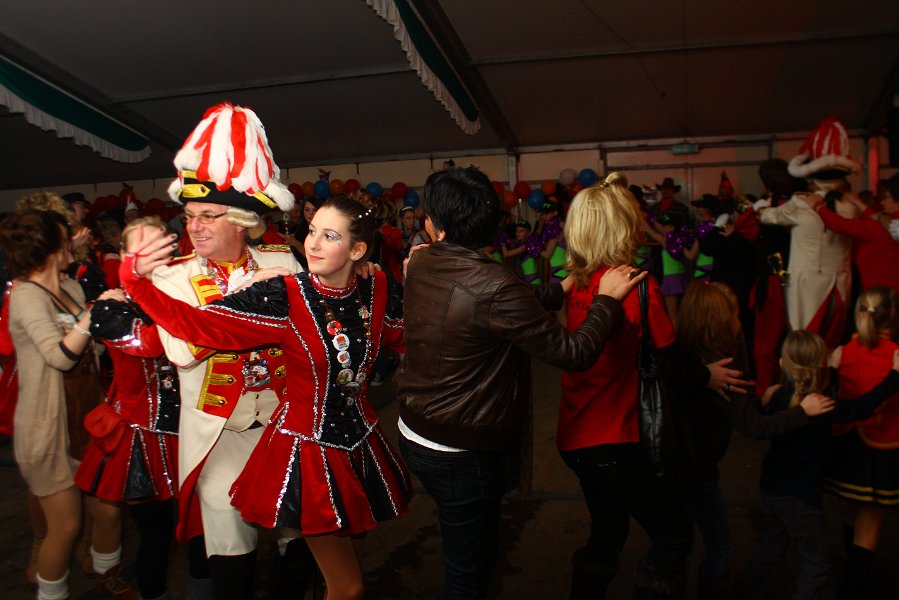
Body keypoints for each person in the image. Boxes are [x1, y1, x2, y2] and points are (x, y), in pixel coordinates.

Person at [119, 193, 412, 600]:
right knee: (232, 543)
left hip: (331, 436)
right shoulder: (231, 283)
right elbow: (188, 340)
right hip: (240, 432)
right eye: (312, 231)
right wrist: (136, 282)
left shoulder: (354, 281)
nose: (312, 244)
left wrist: (414, 274)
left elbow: (403, 333)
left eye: (208, 215)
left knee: (314, 559)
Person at [398, 166, 641, 599]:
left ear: (436, 225)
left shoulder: (421, 261)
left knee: (472, 547)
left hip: (416, 428)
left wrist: (564, 286)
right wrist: (606, 300)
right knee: (467, 575)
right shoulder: (491, 283)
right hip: (458, 448)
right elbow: (573, 353)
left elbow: (503, 300)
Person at [127, 102, 303, 599]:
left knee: (299, 537)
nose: (195, 227)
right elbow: (184, 350)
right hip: (219, 432)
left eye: (208, 216)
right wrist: (249, 303)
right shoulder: (172, 277)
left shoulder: (280, 260)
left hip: (284, 422)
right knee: (227, 537)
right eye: (190, 216)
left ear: (243, 221)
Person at [558, 172, 705, 599]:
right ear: (624, 224)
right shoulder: (637, 284)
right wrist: (708, 375)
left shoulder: (575, 282)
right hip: (615, 439)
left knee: (608, 532)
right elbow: (670, 356)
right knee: (674, 535)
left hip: (575, 436)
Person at [0, 209, 136, 600]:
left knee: (108, 509)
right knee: (65, 527)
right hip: (48, 425)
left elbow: (92, 348)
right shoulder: (26, 294)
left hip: (88, 415)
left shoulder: (70, 287)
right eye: (65, 239)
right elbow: (59, 357)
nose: (73, 244)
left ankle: (105, 571)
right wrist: (92, 315)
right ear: (51, 247)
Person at [670, 282, 833, 599]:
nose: (739, 320)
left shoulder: (689, 358)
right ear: (721, 321)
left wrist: (758, 402)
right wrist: (802, 411)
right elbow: (755, 428)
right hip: (697, 472)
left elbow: (730, 412)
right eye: (734, 314)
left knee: (682, 542)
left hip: (677, 466)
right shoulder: (722, 369)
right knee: (719, 546)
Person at [733, 330, 899, 599]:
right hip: (801, 499)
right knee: (816, 565)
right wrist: (895, 375)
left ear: (782, 363)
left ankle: (739, 593)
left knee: (771, 550)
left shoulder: (776, 395)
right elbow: (863, 407)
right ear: (821, 364)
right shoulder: (821, 405)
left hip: (771, 489)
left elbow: (762, 415)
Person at [73, 216, 180, 600]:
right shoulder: (111, 306)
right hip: (141, 437)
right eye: (141, 248)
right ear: (124, 255)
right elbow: (151, 345)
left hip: (192, 428)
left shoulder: (184, 293)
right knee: (157, 531)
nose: (152, 256)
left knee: (197, 529)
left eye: (160, 246)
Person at [823, 287, 899, 598]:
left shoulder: (843, 352)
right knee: (868, 528)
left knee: (850, 514)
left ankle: (849, 569)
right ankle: (853, 587)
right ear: (893, 318)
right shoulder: (895, 355)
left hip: (847, 446)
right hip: (880, 450)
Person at [758, 117, 860, 347]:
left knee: (803, 339)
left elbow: (769, 217)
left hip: (806, 282)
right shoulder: (851, 206)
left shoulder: (801, 203)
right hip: (841, 279)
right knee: (834, 340)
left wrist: (760, 208)